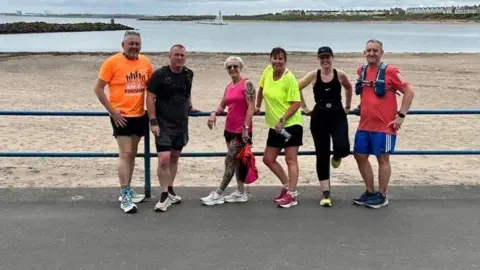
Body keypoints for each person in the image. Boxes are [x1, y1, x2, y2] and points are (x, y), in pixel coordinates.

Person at [94, 30, 153, 213]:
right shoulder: (112, 62)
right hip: (121, 116)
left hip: (139, 115)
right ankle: (124, 194)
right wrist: (112, 112)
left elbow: (151, 88)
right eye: (131, 43)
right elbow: (98, 88)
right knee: (125, 153)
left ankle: (128, 188)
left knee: (133, 153)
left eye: (137, 43)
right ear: (123, 45)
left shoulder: (145, 62)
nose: (134, 46)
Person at [352, 39, 415, 209]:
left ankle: (382, 195)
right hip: (364, 125)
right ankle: (370, 191)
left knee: (382, 159)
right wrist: (361, 105)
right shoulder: (361, 70)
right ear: (364, 52)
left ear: (381, 52)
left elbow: (409, 92)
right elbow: (366, 93)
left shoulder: (391, 71)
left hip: (384, 126)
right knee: (359, 156)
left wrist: (401, 116)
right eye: (369, 50)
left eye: (375, 50)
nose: (371, 53)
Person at [298, 46, 353, 207]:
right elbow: (296, 87)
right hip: (319, 117)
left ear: (332, 57)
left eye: (327, 57)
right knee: (321, 154)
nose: (325, 60)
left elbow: (349, 87)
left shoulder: (340, 75)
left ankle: (337, 156)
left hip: (337, 116)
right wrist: (304, 107)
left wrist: (348, 106)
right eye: (322, 57)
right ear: (318, 59)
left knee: (343, 147)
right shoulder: (313, 75)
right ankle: (326, 192)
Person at [146, 44, 198, 212]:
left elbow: (187, 93)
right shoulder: (160, 74)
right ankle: (163, 195)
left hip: (181, 124)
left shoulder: (188, 74)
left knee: (175, 157)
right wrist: (153, 121)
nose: (180, 58)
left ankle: (170, 189)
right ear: (170, 56)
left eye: (182, 55)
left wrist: (190, 107)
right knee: (164, 159)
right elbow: (150, 97)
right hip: (163, 124)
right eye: (176, 55)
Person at [201, 56, 256, 206]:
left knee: (229, 160)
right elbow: (222, 105)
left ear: (240, 68)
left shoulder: (247, 84)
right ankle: (240, 192)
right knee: (237, 162)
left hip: (241, 131)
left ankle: (218, 193)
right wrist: (213, 114)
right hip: (229, 129)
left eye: (235, 66)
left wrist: (245, 127)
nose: (232, 69)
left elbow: (251, 107)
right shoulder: (229, 86)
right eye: (229, 67)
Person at [255, 47, 303, 208]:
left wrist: (282, 120)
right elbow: (261, 89)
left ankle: (292, 194)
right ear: (270, 59)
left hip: (290, 125)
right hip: (274, 126)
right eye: (274, 58)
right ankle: (286, 185)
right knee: (268, 159)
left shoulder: (290, 79)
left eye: (281, 58)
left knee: (291, 160)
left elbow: (297, 103)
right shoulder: (268, 71)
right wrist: (257, 106)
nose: (277, 61)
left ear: (285, 61)